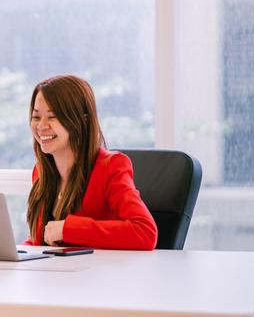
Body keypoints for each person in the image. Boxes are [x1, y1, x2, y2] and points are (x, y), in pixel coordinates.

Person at [23, 74, 157, 250]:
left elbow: (145, 232)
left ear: (81, 120)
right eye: (36, 117)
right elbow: (42, 239)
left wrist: (67, 228)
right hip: (58, 274)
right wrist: (14, 251)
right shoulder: (41, 172)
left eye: (52, 116)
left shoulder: (111, 167)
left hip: (100, 274)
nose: (41, 126)